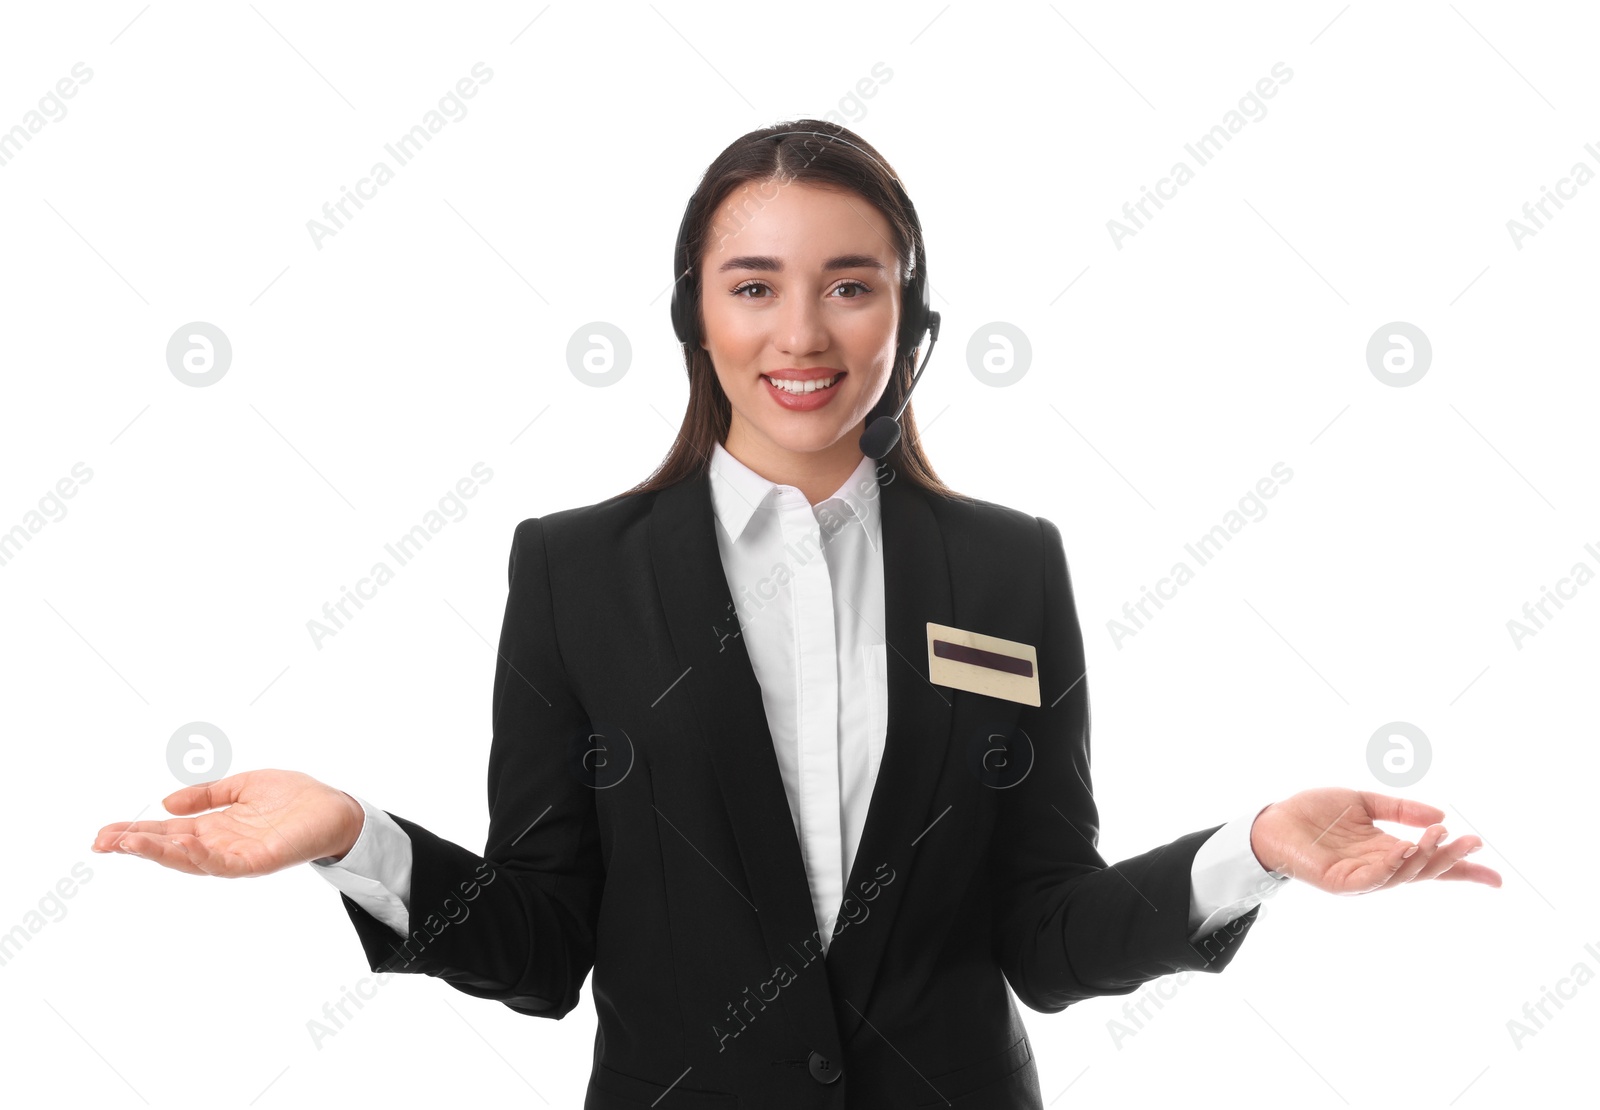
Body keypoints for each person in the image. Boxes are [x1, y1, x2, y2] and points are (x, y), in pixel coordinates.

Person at [92, 120, 1501, 1109]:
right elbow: (540, 946)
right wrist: (353, 835)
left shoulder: (1011, 569)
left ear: (910, 314)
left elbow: (1048, 935)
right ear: (695, 314)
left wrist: (1247, 853)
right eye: (754, 286)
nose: (804, 335)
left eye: (852, 283)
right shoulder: (576, 571)